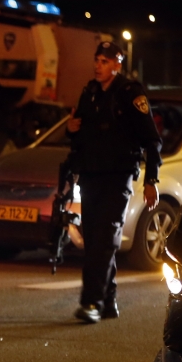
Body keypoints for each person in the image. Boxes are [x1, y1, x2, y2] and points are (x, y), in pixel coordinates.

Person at [66, 41, 162, 324]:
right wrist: (71, 130)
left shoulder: (130, 93)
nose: (98, 65)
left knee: (105, 239)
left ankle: (92, 302)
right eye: (97, 59)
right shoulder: (91, 92)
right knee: (94, 238)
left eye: (105, 61)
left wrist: (151, 179)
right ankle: (108, 301)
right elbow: (79, 130)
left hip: (117, 177)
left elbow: (152, 139)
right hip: (92, 176)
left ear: (117, 65)